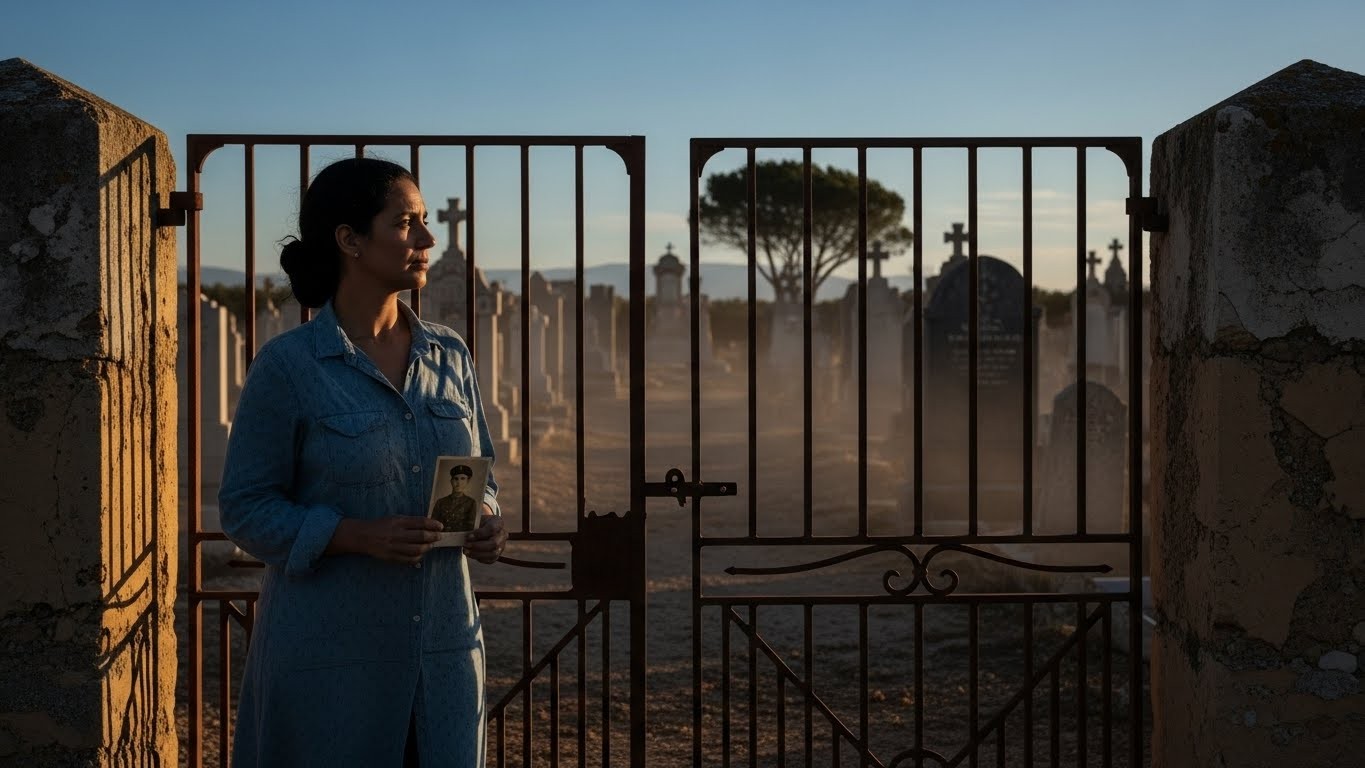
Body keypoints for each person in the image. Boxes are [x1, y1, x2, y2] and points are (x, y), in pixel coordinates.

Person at [218, 156, 508, 768]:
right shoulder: (289, 367)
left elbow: (482, 471)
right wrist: (351, 535)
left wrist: (484, 515)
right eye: (407, 223)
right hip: (331, 663)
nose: (427, 239)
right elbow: (245, 508)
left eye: (426, 221)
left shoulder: (450, 355)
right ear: (349, 239)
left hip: (443, 655)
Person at [431, 464, 480, 532]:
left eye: (463, 479)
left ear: (467, 481)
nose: (458, 483)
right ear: (451, 481)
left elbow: (471, 527)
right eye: (456, 479)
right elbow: (433, 524)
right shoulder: (440, 502)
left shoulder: (471, 503)